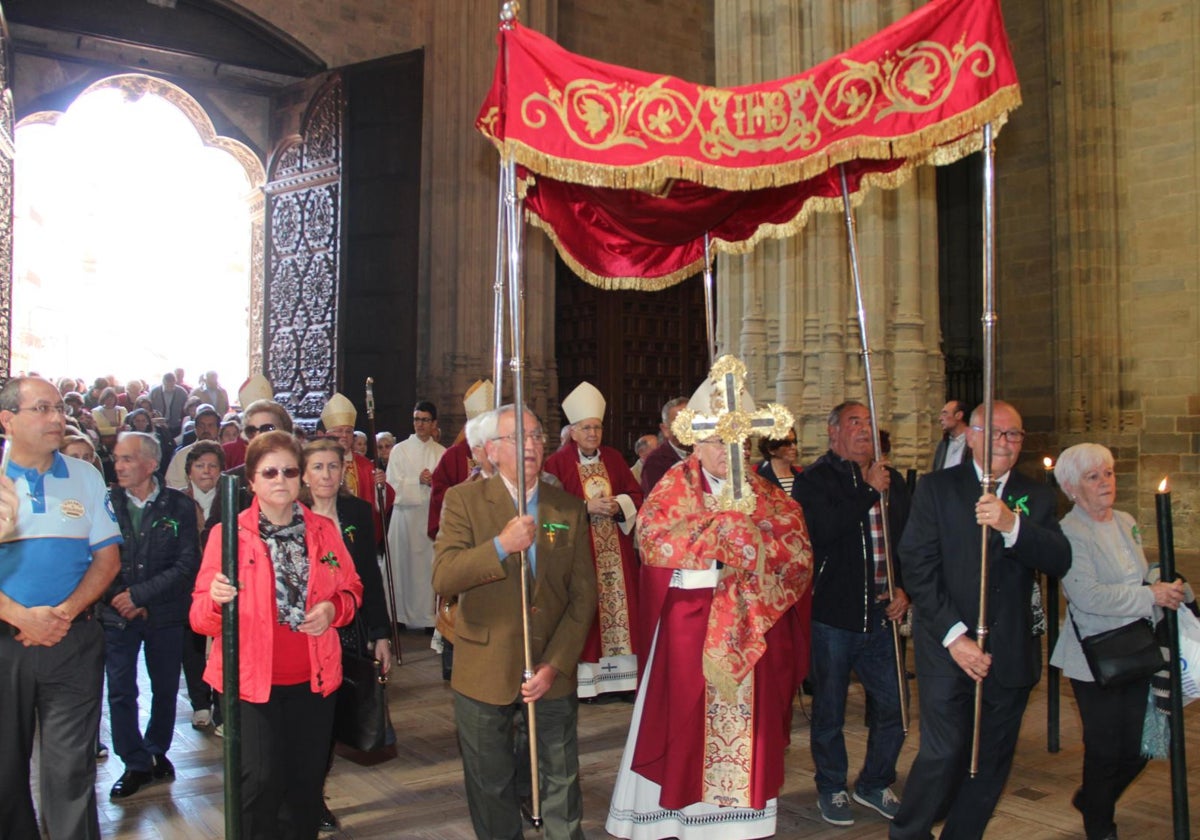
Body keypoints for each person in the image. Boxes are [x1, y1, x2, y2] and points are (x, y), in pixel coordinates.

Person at [606, 374, 812, 840]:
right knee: (681, 727)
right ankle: (675, 819)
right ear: (695, 442)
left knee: (748, 737)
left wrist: (754, 549)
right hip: (689, 629)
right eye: (717, 441)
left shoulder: (769, 497)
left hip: (751, 638)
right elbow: (653, 542)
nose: (727, 451)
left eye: (737, 440)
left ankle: (739, 826)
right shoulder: (673, 488)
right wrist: (718, 544)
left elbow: (797, 554)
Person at [889, 401, 1071, 840]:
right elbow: (916, 562)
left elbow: (1060, 558)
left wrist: (1013, 526)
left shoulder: (1037, 495)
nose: (1006, 443)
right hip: (948, 645)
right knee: (944, 750)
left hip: (1009, 649)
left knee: (990, 760)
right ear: (970, 436)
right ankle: (909, 833)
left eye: (1015, 435)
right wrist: (955, 636)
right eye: (996, 432)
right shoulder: (937, 489)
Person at [432, 404, 596, 840]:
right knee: (492, 782)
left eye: (538, 436)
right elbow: (445, 575)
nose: (531, 445)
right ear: (490, 450)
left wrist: (555, 664)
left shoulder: (567, 508)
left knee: (561, 778)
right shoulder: (463, 501)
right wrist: (501, 546)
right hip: (485, 667)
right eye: (517, 437)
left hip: (551, 668)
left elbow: (583, 597)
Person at [190, 430, 363, 839]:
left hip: (315, 679)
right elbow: (200, 620)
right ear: (251, 481)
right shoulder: (228, 535)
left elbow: (352, 589)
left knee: (304, 785)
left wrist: (332, 609)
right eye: (270, 472)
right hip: (253, 682)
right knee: (261, 781)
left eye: (289, 470)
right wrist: (216, 599)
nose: (281, 479)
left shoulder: (322, 530)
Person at [0, 376, 122, 839]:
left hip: (72, 642)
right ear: (7, 419)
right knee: (4, 769)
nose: (57, 418)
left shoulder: (85, 476)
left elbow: (107, 560)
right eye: (42, 409)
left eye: (58, 408)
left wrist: (63, 614)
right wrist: (20, 616)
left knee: (70, 770)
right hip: (5, 643)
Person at [1048, 443, 1185, 840]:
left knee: (1138, 750)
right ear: (1072, 488)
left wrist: (1167, 586)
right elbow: (1088, 597)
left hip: (1135, 649)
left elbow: (1136, 579)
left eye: (1108, 473)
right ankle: (1100, 826)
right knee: (1106, 750)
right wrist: (1150, 595)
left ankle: (1093, 798)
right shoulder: (1069, 532)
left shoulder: (1125, 521)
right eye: (1094, 477)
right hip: (1094, 657)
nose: (1106, 482)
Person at [793, 401, 911, 826]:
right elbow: (822, 531)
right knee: (829, 711)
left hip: (881, 616)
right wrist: (866, 491)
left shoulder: (891, 481)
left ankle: (875, 782)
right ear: (833, 432)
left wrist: (905, 588)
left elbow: (908, 541)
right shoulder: (813, 481)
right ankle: (831, 787)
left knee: (895, 707)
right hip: (833, 618)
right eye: (854, 422)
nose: (864, 430)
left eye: (868, 423)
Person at [300, 437, 394, 831]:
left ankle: (315, 795)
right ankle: (299, 794)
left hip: (348, 630)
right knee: (305, 719)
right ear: (303, 474)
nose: (326, 474)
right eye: (318, 467)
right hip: (304, 632)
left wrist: (381, 634)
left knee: (331, 720)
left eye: (333, 466)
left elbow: (369, 578)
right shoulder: (292, 513)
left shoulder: (356, 510)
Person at [101, 431, 200, 799]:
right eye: (117, 458)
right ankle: (135, 762)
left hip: (165, 613)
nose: (119, 465)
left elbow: (187, 563)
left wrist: (141, 595)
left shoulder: (179, 506)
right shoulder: (106, 502)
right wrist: (119, 597)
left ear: (151, 464)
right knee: (121, 691)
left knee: (165, 688)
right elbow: (94, 558)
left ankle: (157, 750)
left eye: (127, 458)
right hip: (116, 613)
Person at [543, 381, 643, 698]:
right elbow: (550, 509)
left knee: (622, 611)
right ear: (572, 431)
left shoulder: (614, 458)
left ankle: (624, 682)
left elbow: (636, 494)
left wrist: (619, 505)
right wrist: (586, 508)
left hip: (616, 553)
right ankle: (589, 685)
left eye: (597, 428)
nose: (593, 434)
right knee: (587, 613)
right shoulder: (556, 464)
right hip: (581, 554)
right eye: (586, 428)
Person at [386, 399, 445, 629]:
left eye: (425, 420)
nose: (420, 424)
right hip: (404, 519)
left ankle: (426, 618)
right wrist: (416, 481)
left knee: (425, 570)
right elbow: (391, 486)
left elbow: (447, 488)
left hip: (428, 519)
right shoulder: (399, 450)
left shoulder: (441, 452)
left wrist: (434, 484)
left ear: (434, 424)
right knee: (403, 568)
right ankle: (398, 615)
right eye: (416, 420)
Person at [180, 440, 224, 729]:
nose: (206, 471)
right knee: (192, 642)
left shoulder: (231, 498)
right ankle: (200, 701)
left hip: (221, 579)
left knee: (224, 642)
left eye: (212, 466)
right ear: (189, 472)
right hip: (188, 578)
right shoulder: (180, 500)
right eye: (200, 466)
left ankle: (222, 704)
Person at [427, 379, 495, 542]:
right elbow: (438, 493)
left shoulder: (503, 451)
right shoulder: (454, 455)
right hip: (463, 529)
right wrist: (461, 490)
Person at [321, 392, 390, 541]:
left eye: (348, 431)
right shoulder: (318, 464)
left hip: (357, 534)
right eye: (339, 431)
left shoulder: (365, 466)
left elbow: (382, 503)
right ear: (328, 434)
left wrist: (381, 486)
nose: (344, 436)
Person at [222, 375, 275, 469]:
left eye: (267, 428)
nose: (259, 434)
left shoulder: (283, 449)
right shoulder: (228, 451)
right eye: (252, 429)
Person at [639, 396, 690, 494]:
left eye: (690, 422)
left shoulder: (707, 452)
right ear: (665, 429)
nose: (687, 428)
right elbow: (656, 502)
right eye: (680, 424)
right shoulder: (655, 461)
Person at [165, 403, 221, 489]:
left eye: (210, 426)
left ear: (218, 429)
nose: (206, 430)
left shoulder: (227, 452)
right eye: (201, 426)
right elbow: (173, 485)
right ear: (195, 429)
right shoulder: (182, 455)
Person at [932, 400, 971, 470]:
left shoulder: (973, 443)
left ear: (959, 415)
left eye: (945, 413)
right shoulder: (943, 444)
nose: (940, 418)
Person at [149, 371, 188, 440]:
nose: (170, 387)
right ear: (163, 382)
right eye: (167, 385)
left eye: (172, 385)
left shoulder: (181, 392)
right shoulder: (154, 392)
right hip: (158, 425)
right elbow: (149, 407)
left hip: (176, 426)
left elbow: (186, 409)